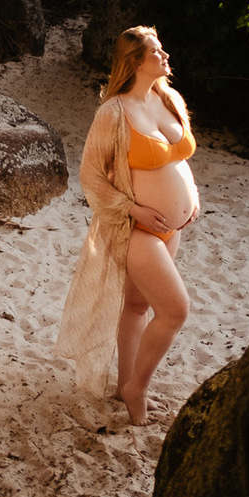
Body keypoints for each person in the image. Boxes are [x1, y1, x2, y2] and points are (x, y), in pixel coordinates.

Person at [56, 26, 198, 423]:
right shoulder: (113, 113)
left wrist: (193, 196)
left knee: (137, 306)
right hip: (137, 228)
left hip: (173, 226)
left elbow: (178, 157)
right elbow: (91, 175)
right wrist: (133, 210)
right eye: (156, 50)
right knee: (175, 310)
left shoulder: (168, 98)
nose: (165, 55)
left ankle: (124, 385)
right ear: (135, 61)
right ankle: (138, 388)